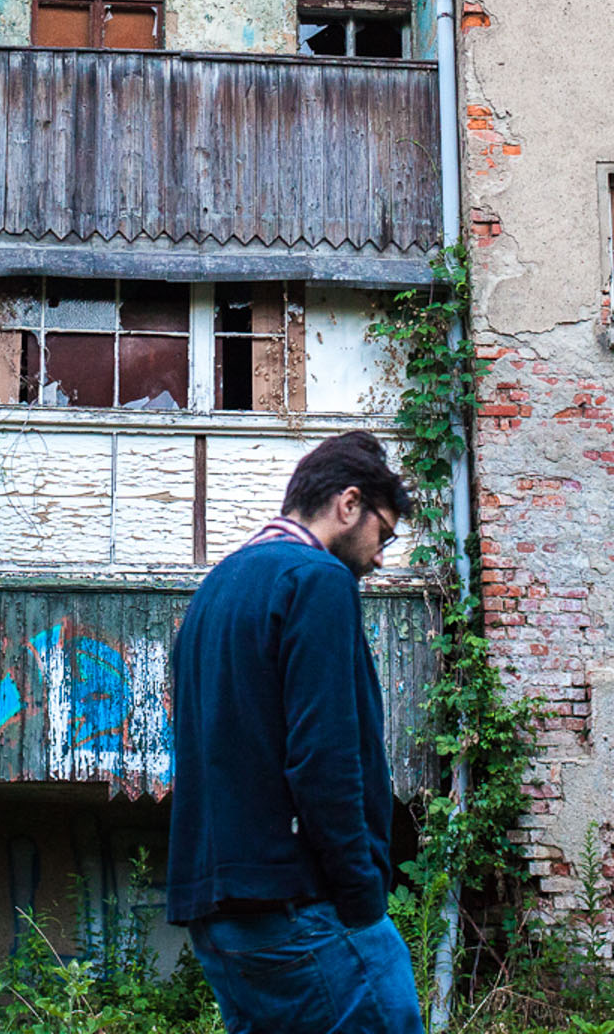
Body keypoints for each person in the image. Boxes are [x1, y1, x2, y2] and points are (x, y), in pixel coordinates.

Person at [166, 430, 423, 1034]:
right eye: (382, 534)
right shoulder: (316, 580)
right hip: (303, 906)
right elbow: (324, 756)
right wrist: (363, 899)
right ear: (349, 504)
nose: (381, 556)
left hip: (220, 914)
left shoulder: (214, 593)